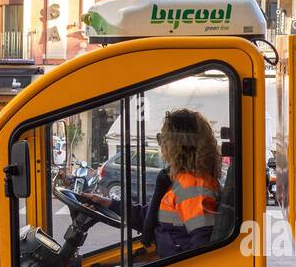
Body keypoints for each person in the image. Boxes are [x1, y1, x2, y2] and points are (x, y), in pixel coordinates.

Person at [80, 108, 222, 259]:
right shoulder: (179, 180)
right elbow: (147, 216)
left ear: (176, 145)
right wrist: (106, 203)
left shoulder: (193, 187)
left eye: (162, 138)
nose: (160, 145)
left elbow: (203, 249)